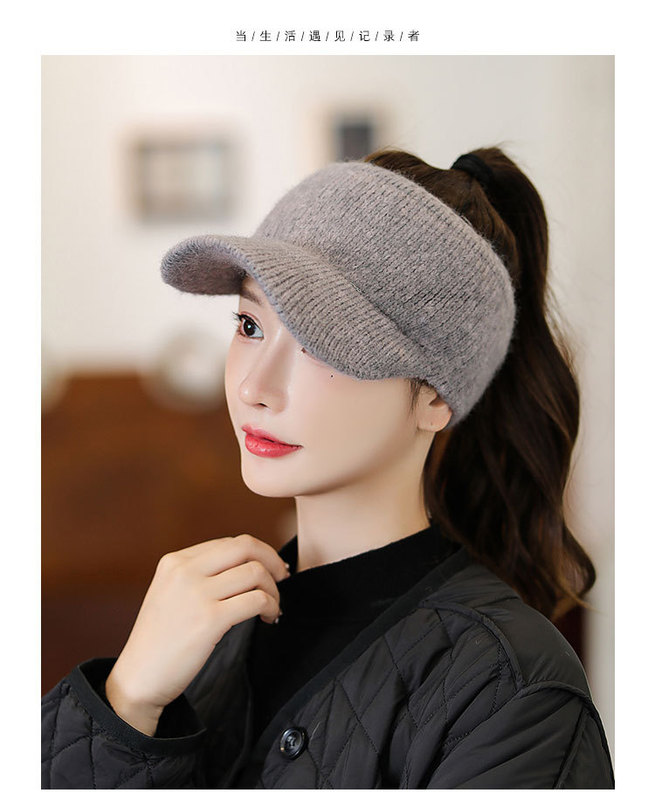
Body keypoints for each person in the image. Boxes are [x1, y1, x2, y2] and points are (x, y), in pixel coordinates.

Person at [41, 147, 614, 789]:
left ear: (435, 396)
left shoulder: (511, 688)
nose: (255, 387)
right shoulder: (208, 627)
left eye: (320, 342)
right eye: (250, 324)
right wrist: (125, 704)